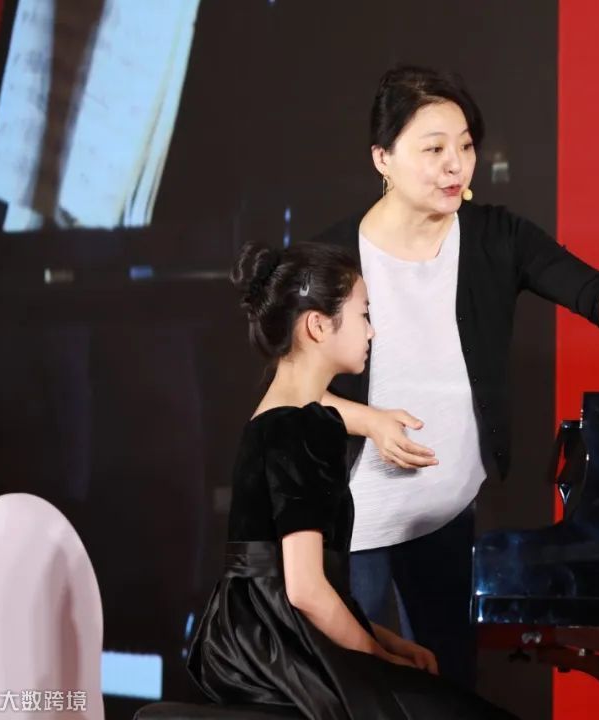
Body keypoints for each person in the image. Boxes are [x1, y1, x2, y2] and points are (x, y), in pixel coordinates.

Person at [311, 64, 599, 689]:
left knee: (451, 684)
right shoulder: (331, 258)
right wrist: (367, 420)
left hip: (446, 511)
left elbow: (594, 288)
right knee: (352, 689)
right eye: (433, 149)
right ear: (383, 158)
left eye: (465, 146)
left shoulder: (495, 236)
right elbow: (290, 394)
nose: (455, 165)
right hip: (354, 516)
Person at [185, 241, 518, 719]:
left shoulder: (281, 418)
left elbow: (294, 586)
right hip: (277, 649)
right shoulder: (300, 426)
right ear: (318, 326)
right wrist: (377, 656)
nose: (372, 330)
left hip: (255, 636)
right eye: (364, 314)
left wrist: (388, 642)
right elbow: (304, 590)